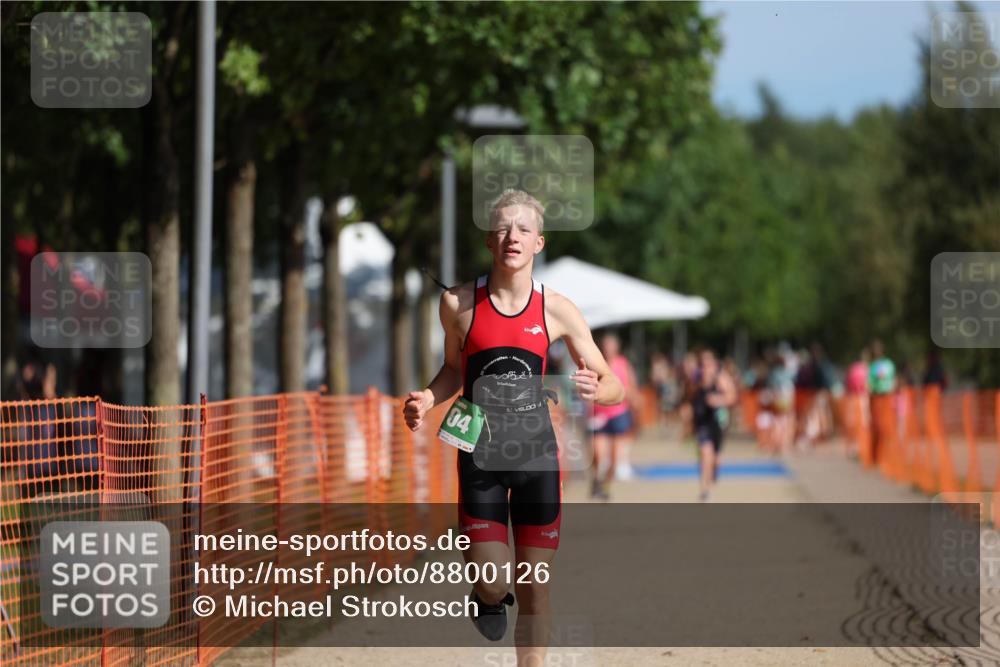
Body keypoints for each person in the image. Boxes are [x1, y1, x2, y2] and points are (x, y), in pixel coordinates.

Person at [402, 189, 624, 662]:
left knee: (534, 588)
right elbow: (453, 372)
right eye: (503, 228)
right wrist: (428, 398)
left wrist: (596, 388)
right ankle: (485, 597)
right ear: (489, 240)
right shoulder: (458, 304)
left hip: (536, 458)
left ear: (539, 243)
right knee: (494, 579)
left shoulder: (557, 309)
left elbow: (614, 384)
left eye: (523, 229)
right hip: (479, 456)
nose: (512, 237)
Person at [588, 332, 638, 499]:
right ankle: (596, 479)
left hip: (619, 413)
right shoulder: (597, 364)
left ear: (616, 347)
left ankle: (606, 486)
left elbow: (631, 386)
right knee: (598, 454)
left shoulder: (623, 364)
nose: (608, 348)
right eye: (606, 345)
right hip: (599, 415)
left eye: (611, 345)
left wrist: (633, 400)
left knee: (615, 458)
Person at [691, 348, 737, 502]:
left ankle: (714, 472)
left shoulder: (721, 378)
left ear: (715, 364)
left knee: (715, 460)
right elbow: (689, 395)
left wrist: (718, 400)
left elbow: (732, 396)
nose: (705, 368)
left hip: (718, 423)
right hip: (702, 422)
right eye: (702, 365)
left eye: (708, 364)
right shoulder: (696, 378)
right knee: (705, 454)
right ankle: (705, 491)